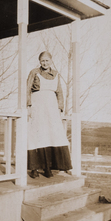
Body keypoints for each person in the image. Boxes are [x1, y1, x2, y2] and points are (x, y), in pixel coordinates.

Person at [27, 51, 72, 179]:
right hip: (37, 108)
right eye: (42, 61)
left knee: (50, 136)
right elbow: (27, 89)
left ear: (51, 61)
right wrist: (29, 106)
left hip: (51, 109)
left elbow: (60, 92)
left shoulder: (56, 75)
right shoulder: (34, 72)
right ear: (39, 62)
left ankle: (48, 168)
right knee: (36, 136)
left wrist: (60, 108)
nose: (45, 63)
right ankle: (34, 168)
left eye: (47, 60)